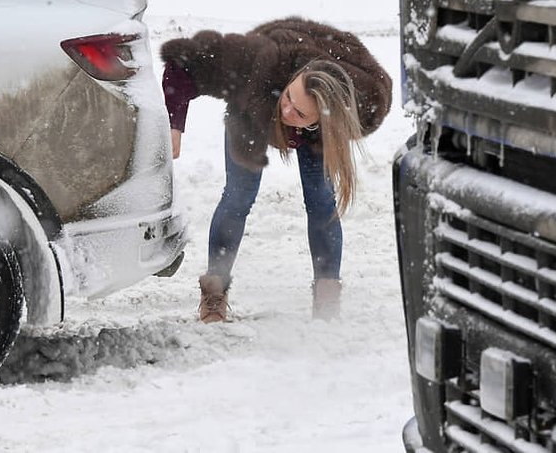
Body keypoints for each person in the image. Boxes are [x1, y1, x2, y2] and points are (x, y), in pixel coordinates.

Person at [160, 17, 392, 322]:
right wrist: (174, 123)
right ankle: (214, 293)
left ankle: (326, 300)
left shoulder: (363, 103)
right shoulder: (254, 63)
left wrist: (311, 123)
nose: (287, 112)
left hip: (322, 115)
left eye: (298, 112)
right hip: (254, 104)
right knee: (238, 196)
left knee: (321, 200)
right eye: (289, 99)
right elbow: (183, 62)